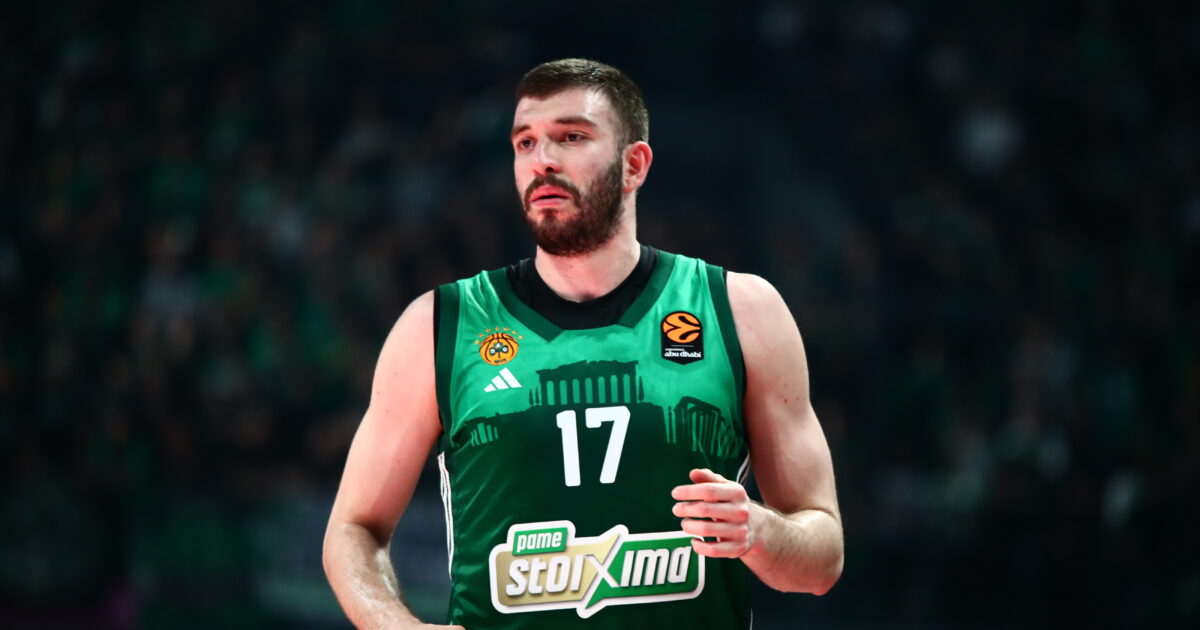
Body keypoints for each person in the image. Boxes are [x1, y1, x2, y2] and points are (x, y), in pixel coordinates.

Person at [323, 58, 843, 629]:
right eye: (525, 143)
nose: (542, 160)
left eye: (571, 137)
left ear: (634, 164)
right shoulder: (440, 324)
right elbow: (353, 529)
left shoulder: (741, 310)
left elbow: (822, 558)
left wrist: (761, 531)